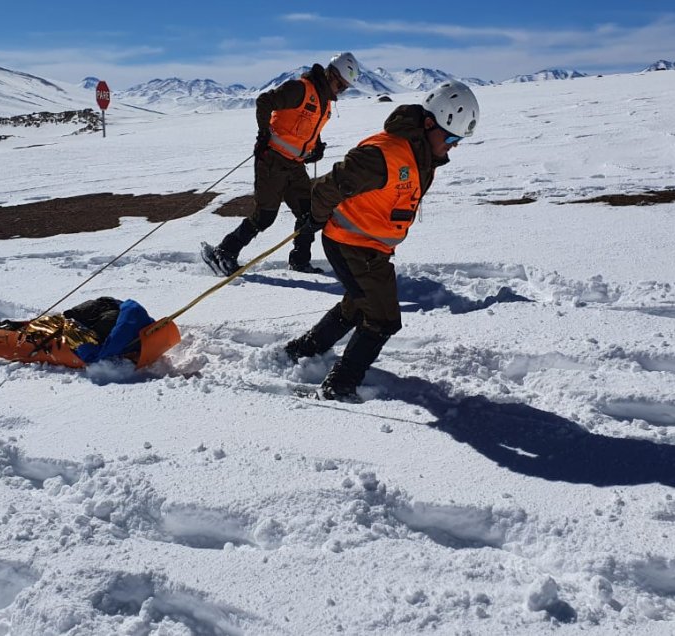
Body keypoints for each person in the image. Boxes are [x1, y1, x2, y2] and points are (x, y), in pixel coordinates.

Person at [283, 81, 480, 401]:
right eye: (450, 138)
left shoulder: (422, 155)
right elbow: (328, 187)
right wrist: (312, 222)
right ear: (429, 124)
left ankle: (304, 349)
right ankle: (339, 386)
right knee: (382, 319)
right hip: (351, 244)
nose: (453, 146)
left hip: (370, 246)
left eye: (458, 141)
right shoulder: (384, 155)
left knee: (358, 305)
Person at [202, 52, 360, 276]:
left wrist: (315, 147)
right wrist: (263, 133)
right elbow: (264, 101)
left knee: (309, 215)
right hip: (272, 160)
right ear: (330, 74)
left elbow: (305, 128)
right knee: (265, 216)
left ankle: (300, 262)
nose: (340, 90)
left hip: (295, 165)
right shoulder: (300, 89)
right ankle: (224, 251)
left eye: (345, 88)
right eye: (340, 84)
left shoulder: (325, 103)